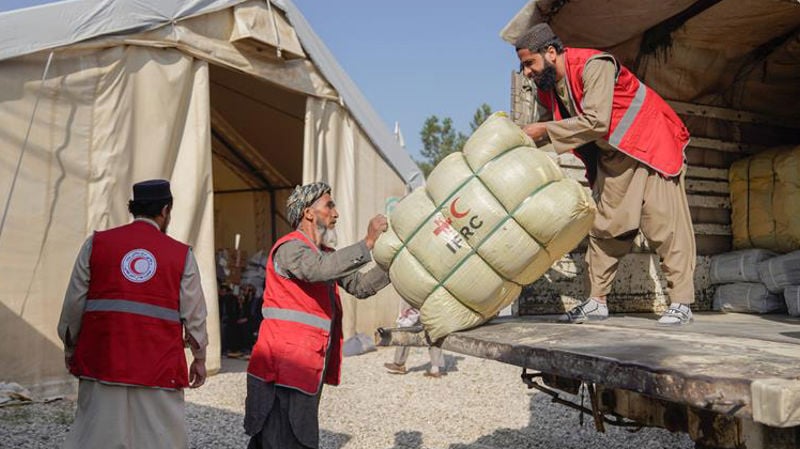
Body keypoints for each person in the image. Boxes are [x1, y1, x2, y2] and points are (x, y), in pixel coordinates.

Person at [514, 23, 696, 326]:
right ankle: (597, 301)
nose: (527, 72)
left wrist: (543, 130)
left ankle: (682, 303)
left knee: (665, 223)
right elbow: (568, 131)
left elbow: (597, 122)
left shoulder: (593, 65)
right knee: (605, 227)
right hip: (615, 155)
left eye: (529, 63)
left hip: (650, 145)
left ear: (550, 52)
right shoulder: (551, 91)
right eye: (522, 66)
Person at [57, 179, 208, 448]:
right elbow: (194, 314)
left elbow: (73, 304)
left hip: (102, 361)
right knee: (159, 439)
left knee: (96, 438)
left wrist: (70, 347)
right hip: (158, 365)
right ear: (165, 210)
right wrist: (199, 358)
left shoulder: (97, 244)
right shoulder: (180, 254)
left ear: (133, 208)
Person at [244, 181, 391, 449]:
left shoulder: (326, 256)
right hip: (282, 365)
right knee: (280, 438)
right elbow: (317, 270)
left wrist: (394, 263)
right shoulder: (290, 248)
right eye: (329, 206)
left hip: (306, 362)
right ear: (308, 213)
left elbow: (361, 286)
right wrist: (368, 242)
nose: (336, 213)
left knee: (288, 436)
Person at [383, 301, 446, 378]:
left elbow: (410, 295)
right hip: (431, 309)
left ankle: (398, 364)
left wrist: (406, 309)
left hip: (416, 309)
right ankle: (436, 369)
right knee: (432, 336)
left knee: (404, 332)